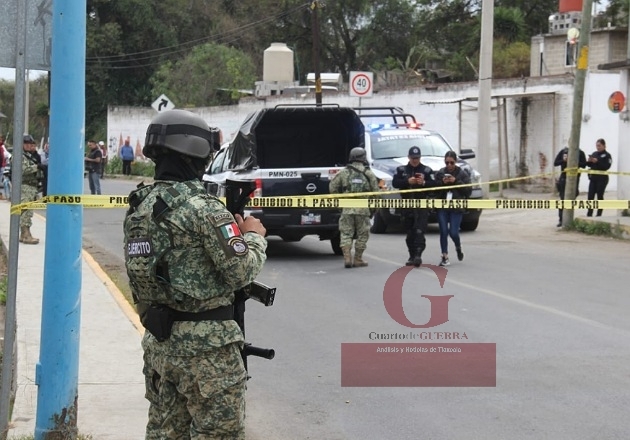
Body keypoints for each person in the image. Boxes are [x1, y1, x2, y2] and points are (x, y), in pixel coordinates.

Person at [123, 109, 267, 439]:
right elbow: (241, 271)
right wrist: (253, 236)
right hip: (207, 353)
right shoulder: (203, 208)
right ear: (196, 152)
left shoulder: (138, 208)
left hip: (160, 344)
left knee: (164, 433)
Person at [329, 147, 379, 268]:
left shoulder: (343, 172)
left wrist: (340, 202)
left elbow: (332, 188)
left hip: (347, 208)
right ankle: (358, 258)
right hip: (363, 209)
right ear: (363, 157)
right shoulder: (369, 173)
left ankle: (347, 257)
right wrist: (373, 209)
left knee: (346, 233)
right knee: (363, 234)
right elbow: (376, 194)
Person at [392, 146, 437, 267]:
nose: (415, 160)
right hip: (407, 206)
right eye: (413, 158)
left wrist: (424, 183)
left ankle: (418, 255)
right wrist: (408, 182)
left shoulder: (427, 170)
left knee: (419, 231)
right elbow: (395, 183)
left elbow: (435, 184)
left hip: (421, 205)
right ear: (408, 157)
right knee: (410, 233)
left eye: (417, 158)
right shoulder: (402, 170)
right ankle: (411, 255)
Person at [434, 151, 471, 266]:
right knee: (443, 231)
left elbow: (468, 191)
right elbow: (434, 189)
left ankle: (458, 247)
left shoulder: (462, 174)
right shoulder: (441, 173)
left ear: (455, 162)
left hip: (456, 206)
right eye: (447, 163)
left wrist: (455, 181)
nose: (449, 165)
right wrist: (442, 183)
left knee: (453, 232)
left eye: (451, 162)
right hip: (443, 206)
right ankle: (444, 256)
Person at [553, 145, 587, 226]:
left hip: (575, 178)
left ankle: (568, 219)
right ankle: (561, 220)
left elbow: (584, 165)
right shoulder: (564, 151)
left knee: (572, 197)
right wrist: (564, 160)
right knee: (562, 199)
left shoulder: (580, 152)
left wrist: (574, 161)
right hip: (564, 178)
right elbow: (556, 163)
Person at [21, 135, 44, 244]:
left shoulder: (29, 156)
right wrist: (37, 167)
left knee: (28, 211)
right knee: (26, 211)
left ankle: (25, 234)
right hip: (25, 186)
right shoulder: (20, 156)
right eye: (26, 143)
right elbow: (23, 170)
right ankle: (25, 235)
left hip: (31, 186)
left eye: (30, 143)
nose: (29, 145)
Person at [585, 138, 612, 217]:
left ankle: (599, 214)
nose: (598, 147)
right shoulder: (594, 154)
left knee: (599, 196)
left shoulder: (607, 155)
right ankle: (589, 213)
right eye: (597, 146)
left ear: (604, 146)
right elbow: (590, 165)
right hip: (593, 178)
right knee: (590, 196)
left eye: (599, 146)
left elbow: (606, 166)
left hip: (602, 179)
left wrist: (597, 162)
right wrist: (589, 161)